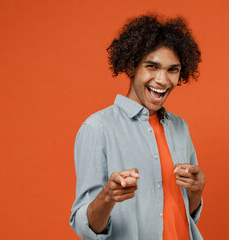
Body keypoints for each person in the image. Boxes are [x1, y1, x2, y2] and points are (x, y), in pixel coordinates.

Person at [70, 14, 205, 240]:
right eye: (152, 66)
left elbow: (185, 214)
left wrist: (196, 190)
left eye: (173, 69)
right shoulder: (97, 128)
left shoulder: (180, 127)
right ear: (132, 66)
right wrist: (107, 196)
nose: (162, 80)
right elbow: (84, 227)